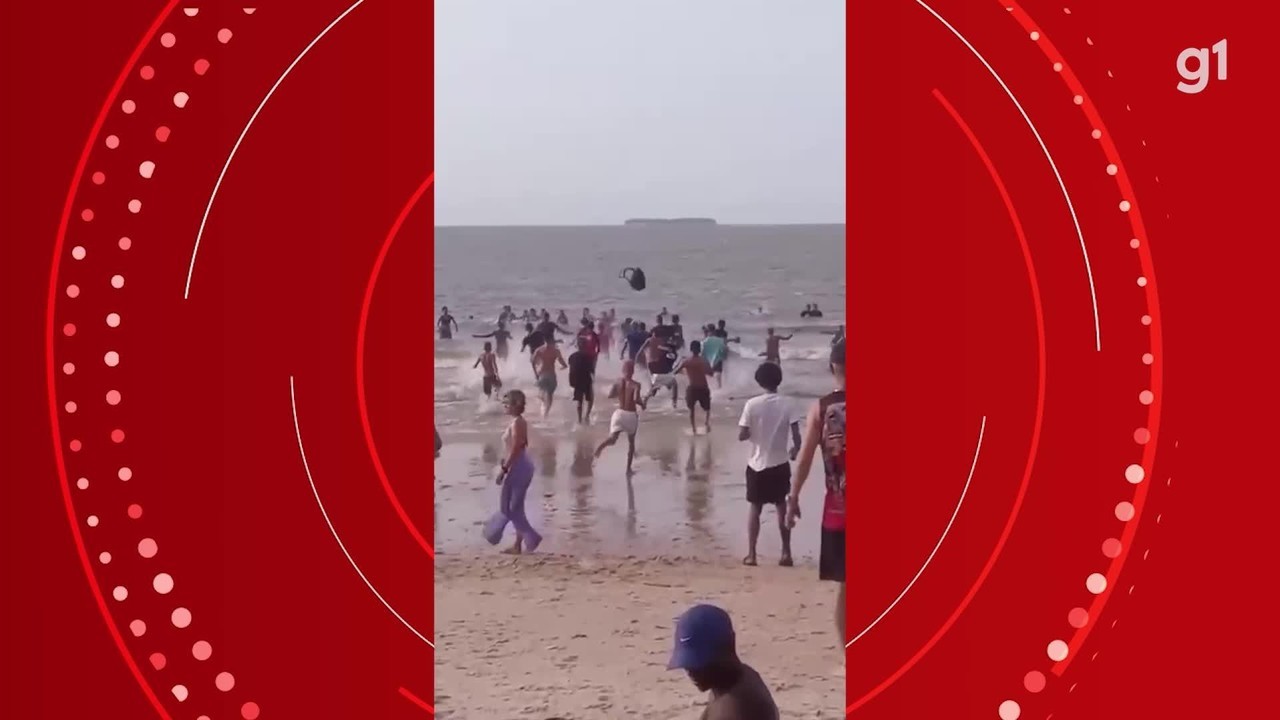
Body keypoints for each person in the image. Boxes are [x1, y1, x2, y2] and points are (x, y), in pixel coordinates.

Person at [787, 340, 847, 643]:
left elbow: (805, 458)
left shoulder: (821, 409)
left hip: (838, 513)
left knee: (847, 589)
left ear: (831, 368)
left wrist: (793, 498)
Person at [666, 604, 779, 720]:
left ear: (728, 648)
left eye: (699, 663)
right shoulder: (738, 679)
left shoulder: (734, 710)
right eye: (688, 663)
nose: (690, 671)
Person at [738, 362, 801, 567]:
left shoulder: (752, 404)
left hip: (756, 463)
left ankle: (752, 554)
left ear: (759, 381)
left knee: (755, 507)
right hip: (779, 462)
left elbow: (742, 434)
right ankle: (786, 553)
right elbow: (797, 437)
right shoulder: (788, 403)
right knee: (781, 506)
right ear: (778, 380)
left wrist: (749, 432)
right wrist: (794, 450)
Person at [482, 390, 543, 554]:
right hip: (518, 465)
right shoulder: (518, 422)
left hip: (518, 467)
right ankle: (517, 544)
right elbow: (514, 447)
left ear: (515, 405)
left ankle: (531, 538)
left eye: (506, 403)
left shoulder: (518, 423)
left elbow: (517, 447)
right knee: (514, 508)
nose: (504, 406)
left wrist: (504, 469)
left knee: (509, 508)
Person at [595, 360, 647, 475]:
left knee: (613, 439)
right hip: (630, 415)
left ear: (623, 370)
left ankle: (601, 447)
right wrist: (643, 404)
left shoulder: (617, 382)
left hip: (618, 414)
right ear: (633, 371)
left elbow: (610, 395)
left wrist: (619, 394)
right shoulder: (636, 384)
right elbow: (636, 399)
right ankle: (628, 469)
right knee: (631, 443)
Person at [677, 340, 713, 434]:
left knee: (691, 409)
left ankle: (694, 429)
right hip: (703, 387)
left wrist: (685, 371)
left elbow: (676, 371)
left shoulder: (687, 361)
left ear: (691, 349)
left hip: (692, 387)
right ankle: (706, 423)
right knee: (707, 408)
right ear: (700, 349)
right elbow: (711, 373)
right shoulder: (704, 361)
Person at [532, 339, 568, 417]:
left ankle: (542, 405)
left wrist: (535, 373)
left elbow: (533, 361)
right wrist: (562, 367)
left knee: (542, 392)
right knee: (550, 394)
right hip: (551, 374)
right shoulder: (555, 351)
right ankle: (546, 413)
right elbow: (563, 364)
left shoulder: (539, 350)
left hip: (542, 373)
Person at [645, 335, 680, 408]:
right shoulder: (673, 355)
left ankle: (645, 401)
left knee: (653, 392)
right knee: (674, 385)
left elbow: (660, 348)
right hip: (664, 375)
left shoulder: (663, 354)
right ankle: (674, 404)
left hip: (657, 375)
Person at [567, 337, 596, 424]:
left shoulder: (572, 356)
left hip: (577, 381)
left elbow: (571, 370)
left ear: (577, 346)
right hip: (586, 379)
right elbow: (592, 369)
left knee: (579, 401)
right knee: (590, 398)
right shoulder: (589, 356)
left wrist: (571, 382)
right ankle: (587, 416)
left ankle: (579, 419)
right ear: (585, 345)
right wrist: (593, 378)